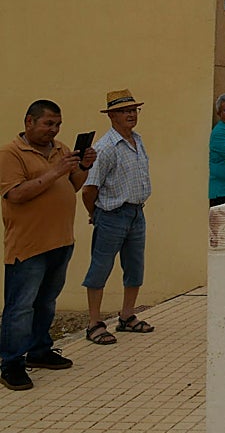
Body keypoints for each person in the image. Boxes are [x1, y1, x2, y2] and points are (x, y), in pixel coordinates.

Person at [0, 100, 96, 391]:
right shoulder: (10, 153)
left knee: (46, 301)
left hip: (60, 240)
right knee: (20, 307)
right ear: (29, 121)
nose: (54, 130)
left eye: (58, 124)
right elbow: (16, 194)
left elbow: (72, 185)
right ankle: (11, 363)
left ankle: (40, 350)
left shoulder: (61, 149)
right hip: (28, 245)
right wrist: (55, 171)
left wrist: (83, 166)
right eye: (48, 124)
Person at [82, 90, 155, 346]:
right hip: (112, 214)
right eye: (125, 111)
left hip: (136, 212)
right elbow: (89, 189)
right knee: (100, 267)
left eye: (134, 110)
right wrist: (95, 213)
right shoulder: (105, 148)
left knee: (135, 267)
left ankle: (127, 315)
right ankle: (94, 323)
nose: (131, 115)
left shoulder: (137, 140)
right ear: (111, 116)